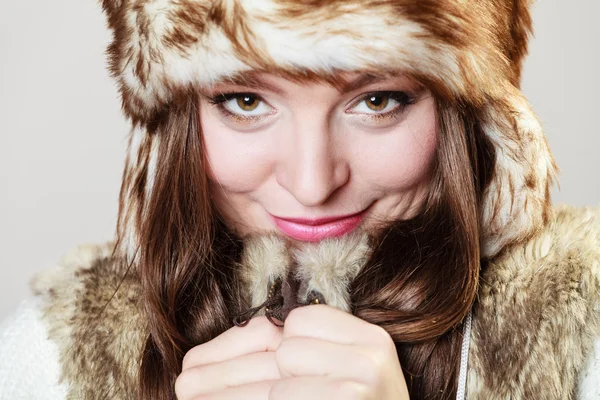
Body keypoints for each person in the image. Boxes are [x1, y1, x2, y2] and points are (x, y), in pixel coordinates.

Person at [1, 0, 599, 399]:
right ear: (174, 119)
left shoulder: (582, 322)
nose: (313, 184)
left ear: (474, 113)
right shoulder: (56, 352)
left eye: (378, 99)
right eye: (246, 101)